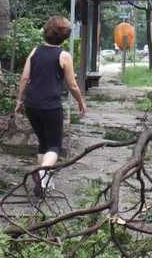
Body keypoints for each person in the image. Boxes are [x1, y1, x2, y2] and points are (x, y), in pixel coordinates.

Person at [14, 16, 88, 196]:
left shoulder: (35, 51)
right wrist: (81, 101)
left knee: (43, 144)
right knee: (55, 146)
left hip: (31, 105)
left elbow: (24, 78)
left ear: (46, 32)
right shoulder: (64, 56)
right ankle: (41, 175)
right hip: (51, 107)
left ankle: (46, 182)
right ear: (65, 37)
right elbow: (72, 85)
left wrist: (19, 100)